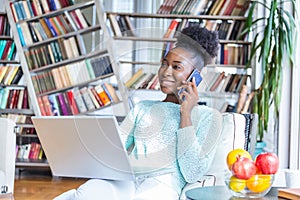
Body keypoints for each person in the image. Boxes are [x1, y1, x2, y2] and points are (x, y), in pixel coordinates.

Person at [54, 26, 223, 200]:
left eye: (176, 67)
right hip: (128, 179)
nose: (165, 72)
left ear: (195, 76)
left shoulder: (209, 117)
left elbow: (193, 171)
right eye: (164, 64)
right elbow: (115, 149)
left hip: (163, 186)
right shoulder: (143, 108)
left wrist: (185, 113)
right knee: (88, 192)